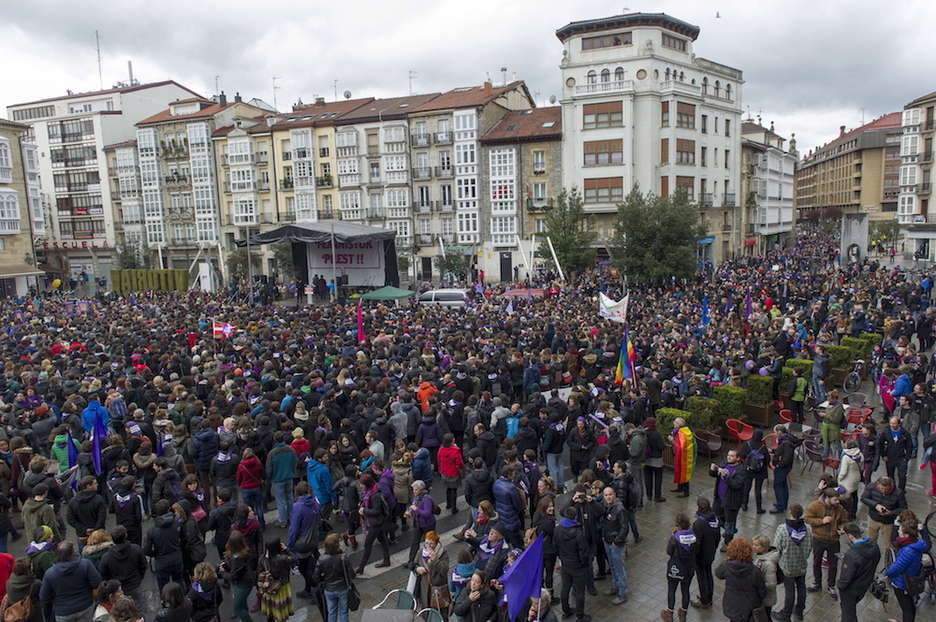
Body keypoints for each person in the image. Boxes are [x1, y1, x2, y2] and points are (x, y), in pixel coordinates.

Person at [39, 541, 102, 622]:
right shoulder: (85, 564)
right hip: (85, 606)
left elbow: (44, 596)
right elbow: (97, 582)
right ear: (72, 552)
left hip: (63, 612)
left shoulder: (50, 574)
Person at [770, 503, 811, 622]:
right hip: (801, 564)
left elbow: (777, 547)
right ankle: (799, 611)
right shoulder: (807, 529)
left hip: (787, 565)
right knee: (801, 587)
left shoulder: (782, 529)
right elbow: (809, 547)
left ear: (790, 512)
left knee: (789, 591)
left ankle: (786, 614)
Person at [803, 487, 846, 598]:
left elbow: (844, 521)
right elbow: (807, 518)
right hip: (819, 538)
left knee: (833, 564)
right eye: (835, 500)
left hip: (834, 540)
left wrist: (842, 528)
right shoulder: (815, 506)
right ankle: (817, 582)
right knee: (816, 562)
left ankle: (831, 585)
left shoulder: (840, 509)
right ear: (827, 498)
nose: (838, 502)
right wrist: (822, 521)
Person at [884, 518, 927, 622]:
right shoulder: (916, 543)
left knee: (906, 609)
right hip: (911, 580)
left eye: (900, 530)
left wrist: (887, 572)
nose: (898, 531)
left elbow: (898, 567)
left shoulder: (908, 550)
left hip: (902, 583)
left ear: (906, 535)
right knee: (910, 606)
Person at [835, 523, 881, 622]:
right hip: (864, 585)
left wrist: (840, 585)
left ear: (850, 536)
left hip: (851, 590)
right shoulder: (874, 547)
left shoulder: (852, 555)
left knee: (848, 614)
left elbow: (846, 578)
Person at [714, 538, 767, 622]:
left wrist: (728, 560)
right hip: (749, 608)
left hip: (732, 606)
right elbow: (762, 592)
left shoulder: (727, 566)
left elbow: (718, 573)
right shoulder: (755, 571)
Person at [143, 499, 185, 593]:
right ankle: (181, 603)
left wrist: (155, 554)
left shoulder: (152, 531)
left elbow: (146, 550)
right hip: (176, 558)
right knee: (179, 583)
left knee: (164, 588)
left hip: (162, 562)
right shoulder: (178, 524)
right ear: (168, 510)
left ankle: (166, 605)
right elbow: (184, 540)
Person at [661, 513, 697, 622]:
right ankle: (683, 612)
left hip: (675, 568)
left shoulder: (675, 538)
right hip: (688, 568)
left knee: (672, 590)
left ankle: (670, 613)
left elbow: (669, 551)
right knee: (685, 590)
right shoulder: (694, 537)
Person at [555, 506, 589, 622]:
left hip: (565, 564)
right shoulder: (578, 534)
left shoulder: (558, 530)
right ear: (575, 517)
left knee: (565, 587)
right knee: (580, 591)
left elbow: (556, 546)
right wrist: (584, 564)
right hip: (577, 566)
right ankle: (580, 616)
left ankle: (566, 610)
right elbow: (584, 553)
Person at [98, 525, 148, 605]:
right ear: (126, 536)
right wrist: (139, 578)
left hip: (117, 589)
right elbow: (143, 565)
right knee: (139, 608)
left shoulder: (106, 557)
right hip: (134, 584)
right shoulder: (136, 549)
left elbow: (103, 575)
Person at [288, 481, 321, 599]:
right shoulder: (315, 502)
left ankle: (318, 590)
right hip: (314, 538)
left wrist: (290, 545)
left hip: (302, 543)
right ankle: (308, 589)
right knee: (310, 566)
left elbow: (294, 528)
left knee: (303, 569)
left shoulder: (298, 507)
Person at [313, 534, 356, 622]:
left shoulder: (321, 559)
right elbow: (352, 574)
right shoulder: (343, 557)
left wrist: (324, 580)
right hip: (343, 588)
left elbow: (316, 577)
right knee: (344, 612)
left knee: (331, 612)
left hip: (329, 589)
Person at [709, 449, 746, 549]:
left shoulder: (741, 470)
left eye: (732, 456)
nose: (728, 457)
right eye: (728, 455)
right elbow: (714, 474)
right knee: (716, 516)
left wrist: (725, 477)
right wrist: (712, 470)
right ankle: (728, 530)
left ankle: (728, 542)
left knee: (729, 522)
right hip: (719, 498)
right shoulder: (724, 463)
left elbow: (736, 484)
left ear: (738, 458)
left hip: (731, 501)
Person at [355, 474, 390, 574]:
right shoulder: (369, 493)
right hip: (376, 521)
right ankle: (386, 560)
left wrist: (364, 511)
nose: (361, 486)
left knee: (368, 544)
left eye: (362, 484)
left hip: (376, 522)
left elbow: (376, 511)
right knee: (382, 539)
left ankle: (361, 567)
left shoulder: (375, 495)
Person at [599, 487, 628, 605]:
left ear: (614, 495)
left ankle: (623, 593)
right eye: (606, 495)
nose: (608, 497)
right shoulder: (606, 507)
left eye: (610, 494)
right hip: (607, 541)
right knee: (613, 567)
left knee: (619, 568)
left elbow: (624, 527)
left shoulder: (619, 509)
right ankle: (615, 587)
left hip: (615, 544)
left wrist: (617, 541)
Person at [861, 476, 908, 548]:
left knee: (889, 545)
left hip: (888, 522)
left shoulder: (898, 493)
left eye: (886, 489)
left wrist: (891, 513)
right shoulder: (871, 486)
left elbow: (903, 508)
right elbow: (864, 498)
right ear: (878, 484)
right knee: (871, 541)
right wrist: (876, 505)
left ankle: (888, 558)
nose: (883, 491)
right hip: (873, 518)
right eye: (881, 489)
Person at [258, 536, 297, 622]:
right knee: (280, 611)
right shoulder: (281, 559)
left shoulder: (262, 558)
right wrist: (286, 549)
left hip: (268, 587)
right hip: (281, 587)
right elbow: (294, 559)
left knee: (270, 611)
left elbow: (259, 571)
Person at [689, 496, 719, 610]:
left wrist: (693, 556)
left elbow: (697, 543)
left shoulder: (699, 524)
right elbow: (717, 538)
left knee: (702, 577)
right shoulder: (714, 519)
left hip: (701, 555)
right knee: (708, 574)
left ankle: (704, 600)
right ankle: (708, 596)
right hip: (710, 552)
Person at [220, 530, 254, 622]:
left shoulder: (237, 559)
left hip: (243, 584)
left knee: (237, 608)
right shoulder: (243, 552)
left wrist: (222, 573)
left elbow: (233, 576)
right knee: (242, 603)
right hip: (245, 581)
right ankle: (244, 618)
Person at [66, 476, 107, 551]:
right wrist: (95, 530)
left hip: (82, 536)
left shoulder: (73, 501)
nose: (97, 485)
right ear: (88, 486)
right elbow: (102, 517)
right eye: (95, 483)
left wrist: (84, 529)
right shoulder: (98, 499)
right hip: (99, 536)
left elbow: (70, 519)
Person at [266, 431, 297, 529]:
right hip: (289, 476)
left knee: (281, 501)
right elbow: (295, 461)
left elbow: (269, 468)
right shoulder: (291, 449)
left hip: (278, 478)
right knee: (289, 498)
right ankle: (291, 517)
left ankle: (283, 521)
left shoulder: (272, 453)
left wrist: (270, 477)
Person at [415, 531, 451, 616]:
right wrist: (417, 569)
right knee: (427, 613)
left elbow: (444, 570)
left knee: (440, 614)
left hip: (438, 589)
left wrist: (434, 559)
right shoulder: (421, 552)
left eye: (431, 544)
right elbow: (413, 564)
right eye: (426, 543)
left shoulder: (443, 553)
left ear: (436, 543)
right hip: (425, 588)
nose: (428, 546)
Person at [878, 415, 912, 491]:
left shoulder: (905, 433)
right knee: (890, 475)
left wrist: (906, 458)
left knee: (902, 476)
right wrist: (883, 455)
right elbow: (880, 443)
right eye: (891, 423)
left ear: (899, 424)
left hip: (901, 458)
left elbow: (909, 446)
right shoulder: (886, 432)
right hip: (889, 457)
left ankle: (901, 491)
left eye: (894, 423)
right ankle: (892, 489)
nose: (892, 425)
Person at [236, 448, 266, 531]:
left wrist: (240, 484)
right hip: (257, 487)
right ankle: (262, 525)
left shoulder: (241, 466)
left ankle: (251, 526)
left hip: (246, 488)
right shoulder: (258, 463)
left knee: (248, 509)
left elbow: (239, 478)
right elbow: (262, 474)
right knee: (259, 507)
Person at [740, 428, 769, 514]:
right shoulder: (763, 448)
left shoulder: (746, 444)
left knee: (746, 488)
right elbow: (767, 460)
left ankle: (744, 504)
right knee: (758, 489)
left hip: (749, 470)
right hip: (760, 471)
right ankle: (759, 508)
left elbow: (742, 455)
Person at [5, 557, 42, 622]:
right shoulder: (35, 583)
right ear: (28, 570)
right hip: (33, 614)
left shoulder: (9, 583)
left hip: (16, 615)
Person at [752, 534, 780, 619]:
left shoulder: (769, 564)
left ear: (764, 547)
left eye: (756, 545)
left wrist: (757, 587)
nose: (753, 547)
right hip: (760, 597)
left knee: (765, 618)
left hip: (765, 599)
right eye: (753, 544)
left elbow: (771, 584)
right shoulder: (759, 557)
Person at [438, 434, 465, 515]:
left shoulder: (441, 449)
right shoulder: (455, 451)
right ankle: (454, 507)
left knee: (448, 489)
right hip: (453, 473)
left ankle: (448, 504)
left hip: (444, 472)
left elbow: (439, 460)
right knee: (454, 490)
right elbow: (460, 463)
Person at [669, 418, 694, 498]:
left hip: (684, 457)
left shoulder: (682, 433)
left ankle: (685, 491)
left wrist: (671, 441)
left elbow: (680, 447)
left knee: (684, 473)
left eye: (675, 422)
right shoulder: (685, 431)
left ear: (679, 425)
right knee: (680, 471)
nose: (673, 423)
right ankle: (680, 487)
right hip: (684, 455)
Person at [643, 417, 667, 502]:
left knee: (647, 477)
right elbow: (661, 446)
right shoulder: (656, 434)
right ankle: (657, 496)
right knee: (658, 478)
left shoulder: (643, 433)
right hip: (657, 459)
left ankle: (649, 495)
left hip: (646, 459)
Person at [819, 390, 844, 459]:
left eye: (829, 398)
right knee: (826, 443)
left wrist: (825, 415)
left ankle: (841, 458)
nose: (828, 399)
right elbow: (827, 412)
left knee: (837, 445)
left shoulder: (839, 407)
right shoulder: (829, 404)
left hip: (833, 430)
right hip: (826, 428)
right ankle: (825, 457)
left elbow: (836, 420)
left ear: (834, 398)